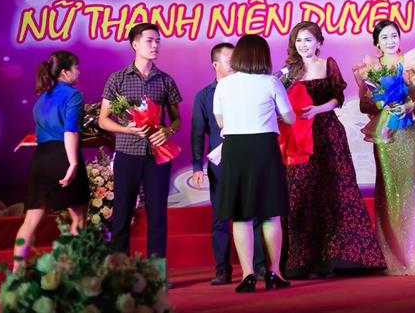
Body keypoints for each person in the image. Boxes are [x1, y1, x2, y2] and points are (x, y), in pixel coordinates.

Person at [282, 21, 385, 279]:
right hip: (299, 138)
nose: (303, 45)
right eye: (298, 40)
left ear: (318, 42)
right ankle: (302, 260)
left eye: (308, 40)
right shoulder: (288, 72)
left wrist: (318, 109)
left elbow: (338, 98)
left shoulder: (327, 64)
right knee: (301, 193)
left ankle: (339, 258)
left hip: (327, 133)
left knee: (336, 190)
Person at [353, 19, 415, 275]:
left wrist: (410, 106)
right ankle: (391, 254)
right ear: (376, 42)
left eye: (394, 35)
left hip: (409, 133)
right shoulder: (369, 70)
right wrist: (381, 103)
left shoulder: (412, 63)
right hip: (385, 135)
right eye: (384, 37)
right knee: (389, 189)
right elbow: (364, 105)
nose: (390, 41)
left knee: (412, 188)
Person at [99, 23, 182, 278]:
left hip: (157, 156)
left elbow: (177, 119)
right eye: (149, 40)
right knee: (122, 214)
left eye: (158, 41)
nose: (155, 45)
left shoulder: (165, 80)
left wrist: (168, 131)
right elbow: (103, 120)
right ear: (134, 44)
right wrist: (127, 129)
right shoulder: (117, 78)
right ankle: (120, 274)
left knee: (157, 216)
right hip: (127, 154)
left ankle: (156, 275)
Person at [213, 34, 295, 293]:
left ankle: (247, 274)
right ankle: (274, 272)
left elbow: (220, 121)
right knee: (271, 214)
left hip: (235, 149)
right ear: (263, 56)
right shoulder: (271, 82)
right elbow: (290, 118)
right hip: (264, 147)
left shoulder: (224, 84)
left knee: (241, 215)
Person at [191, 42, 267, 285]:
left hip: (247, 158)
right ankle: (222, 269)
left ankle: (260, 266)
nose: (234, 64)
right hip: (220, 164)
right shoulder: (204, 96)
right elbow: (197, 133)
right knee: (221, 217)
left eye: (237, 59)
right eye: (228, 60)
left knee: (254, 213)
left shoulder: (248, 89)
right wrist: (196, 166)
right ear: (215, 64)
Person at [13, 51, 89, 272]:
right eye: (76, 68)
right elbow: (70, 131)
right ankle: (74, 271)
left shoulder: (40, 100)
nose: (78, 72)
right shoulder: (74, 95)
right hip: (63, 155)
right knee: (78, 219)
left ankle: (17, 271)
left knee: (30, 220)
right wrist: (73, 163)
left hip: (41, 158)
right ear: (65, 72)